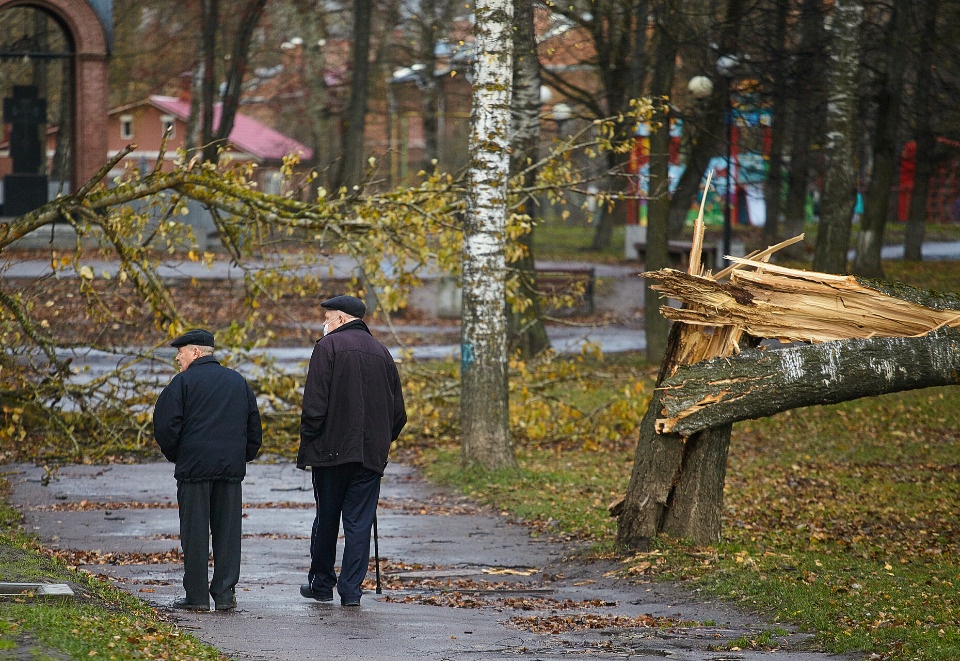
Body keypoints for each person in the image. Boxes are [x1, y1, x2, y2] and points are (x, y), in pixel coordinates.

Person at [297, 295, 406, 607]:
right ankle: (351, 591)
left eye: (328, 319)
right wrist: (382, 441)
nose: (324, 325)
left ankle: (321, 584)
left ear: (342, 320)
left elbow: (314, 406)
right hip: (370, 456)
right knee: (359, 523)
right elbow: (398, 413)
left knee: (327, 518)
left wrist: (311, 440)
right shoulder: (383, 353)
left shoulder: (326, 348)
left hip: (330, 452)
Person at [153, 328, 263, 611]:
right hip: (229, 470)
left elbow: (165, 426)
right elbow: (254, 427)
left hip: (194, 470)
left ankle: (197, 597)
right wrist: (242, 456)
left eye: (181, 352)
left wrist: (178, 455)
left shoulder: (181, 384)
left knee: (195, 533)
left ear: (196, 352)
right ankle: (225, 595)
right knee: (228, 535)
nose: (178, 358)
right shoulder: (237, 382)